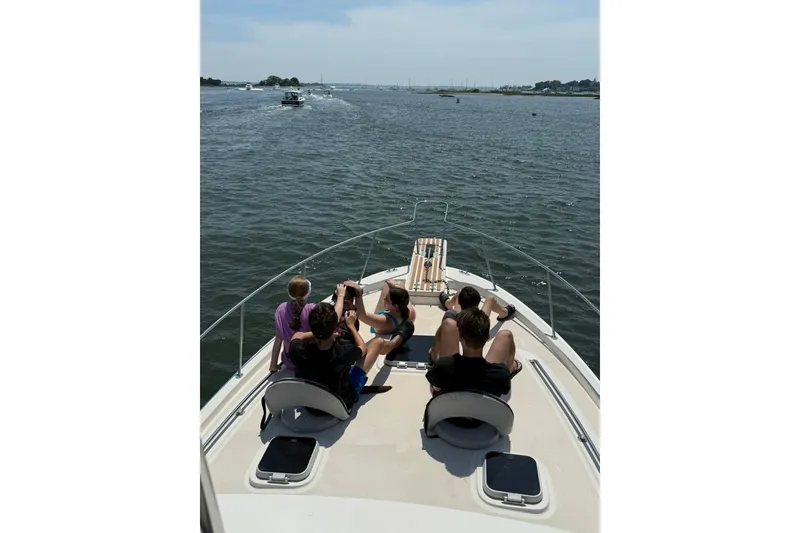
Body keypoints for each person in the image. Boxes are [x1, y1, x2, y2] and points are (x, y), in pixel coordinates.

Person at [288, 303, 381, 409]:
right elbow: (363, 348)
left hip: (312, 407)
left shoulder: (298, 351)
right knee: (377, 343)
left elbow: (297, 336)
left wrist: (321, 332)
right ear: (335, 328)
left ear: (312, 329)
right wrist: (350, 325)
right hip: (341, 405)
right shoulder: (345, 351)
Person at [426, 307, 522, 398]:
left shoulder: (443, 367)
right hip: (482, 407)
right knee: (506, 335)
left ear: (459, 337)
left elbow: (434, 385)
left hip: (451, 404)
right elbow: (504, 390)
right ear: (488, 337)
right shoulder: (500, 374)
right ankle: (512, 366)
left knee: (448, 323)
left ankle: (433, 354)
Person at [269, 279, 345, 372]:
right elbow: (334, 318)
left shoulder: (281, 309)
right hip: (308, 361)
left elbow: (278, 340)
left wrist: (273, 365)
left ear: (289, 293)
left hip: (289, 361)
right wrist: (340, 296)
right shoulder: (311, 309)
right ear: (308, 293)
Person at [429, 286, 516, 362]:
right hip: (477, 322)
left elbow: (440, 336)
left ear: (460, 303)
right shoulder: (482, 319)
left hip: (461, 321)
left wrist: (434, 354)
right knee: (490, 299)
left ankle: (447, 303)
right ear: (477, 304)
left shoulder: (451, 316)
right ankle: (504, 313)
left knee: (460, 293)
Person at [346, 279, 415, 355]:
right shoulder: (410, 312)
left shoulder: (384, 321)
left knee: (387, 284)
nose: (384, 298)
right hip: (394, 316)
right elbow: (405, 296)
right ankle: (397, 286)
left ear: (395, 305)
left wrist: (358, 294)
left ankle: (398, 286)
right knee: (388, 284)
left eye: (387, 299)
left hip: (384, 324)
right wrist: (400, 287)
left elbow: (361, 315)